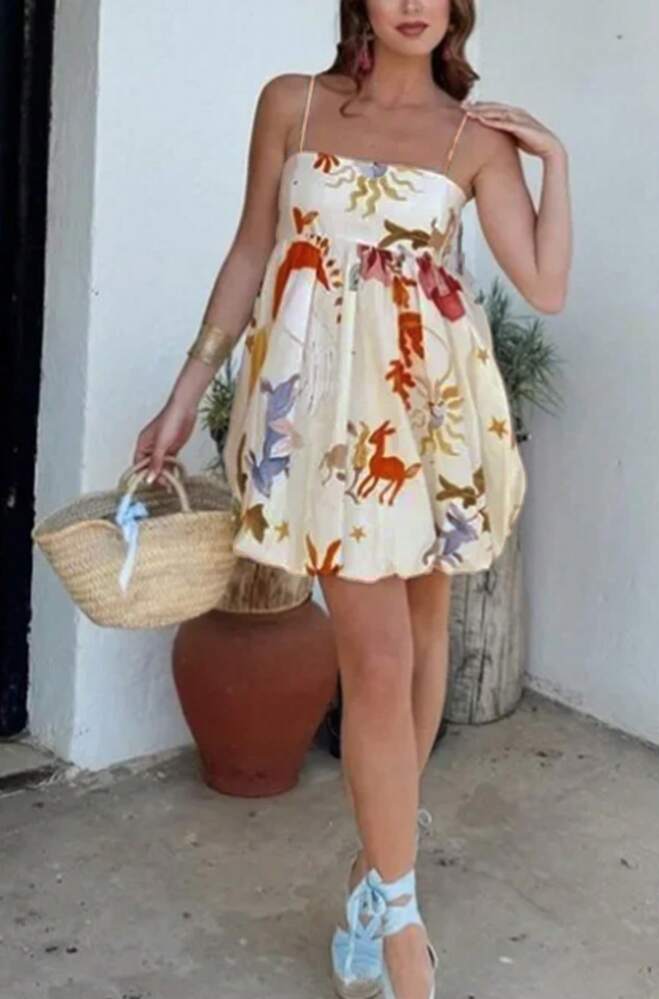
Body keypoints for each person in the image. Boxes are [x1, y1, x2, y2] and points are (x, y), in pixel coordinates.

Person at [133, 2, 571, 996]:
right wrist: (185, 394)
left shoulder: (473, 139)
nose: (413, 3)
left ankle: (375, 875)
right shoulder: (291, 104)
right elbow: (251, 250)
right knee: (376, 659)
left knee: (423, 638)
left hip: (430, 415)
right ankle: (403, 932)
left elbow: (544, 285)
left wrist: (554, 159)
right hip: (325, 423)